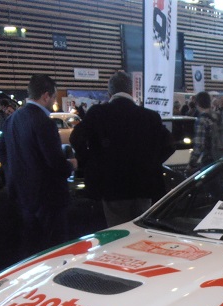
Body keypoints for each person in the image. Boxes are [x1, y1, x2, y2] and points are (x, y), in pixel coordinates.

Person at [69, 71, 174, 227]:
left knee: (117, 231)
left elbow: (76, 139)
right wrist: (151, 162)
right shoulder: (150, 116)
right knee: (141, 230)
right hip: (143, 185)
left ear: (109, 92)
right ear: (131, 91)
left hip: (111, 185)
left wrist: (91, 161)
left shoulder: (98, 114)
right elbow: (169, 145)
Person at [2, 74, 77, 256]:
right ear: (46, 96)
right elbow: (54, 162)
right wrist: (71, 165)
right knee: (54, 251)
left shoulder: (11, 120)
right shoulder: (44, 122)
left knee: (32, 251)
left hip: (23, 198)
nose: (54, 102)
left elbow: (3, 154)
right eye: (54, 97)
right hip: (48, 199)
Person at [188, 91, 223, 172]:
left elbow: (199, 145)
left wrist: (192, 163)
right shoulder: (219, 115)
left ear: (198, 104)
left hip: (210, 158)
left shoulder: (202, 120)